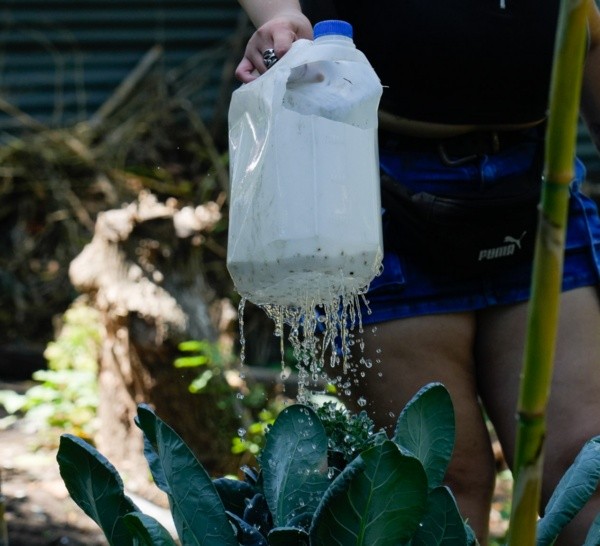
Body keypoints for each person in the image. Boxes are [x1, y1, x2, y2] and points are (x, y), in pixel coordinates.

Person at [234, 1, 600, 544]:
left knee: (586, 468)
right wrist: (282, 15)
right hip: (362, 175)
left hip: (539, 170)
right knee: (437, 482)